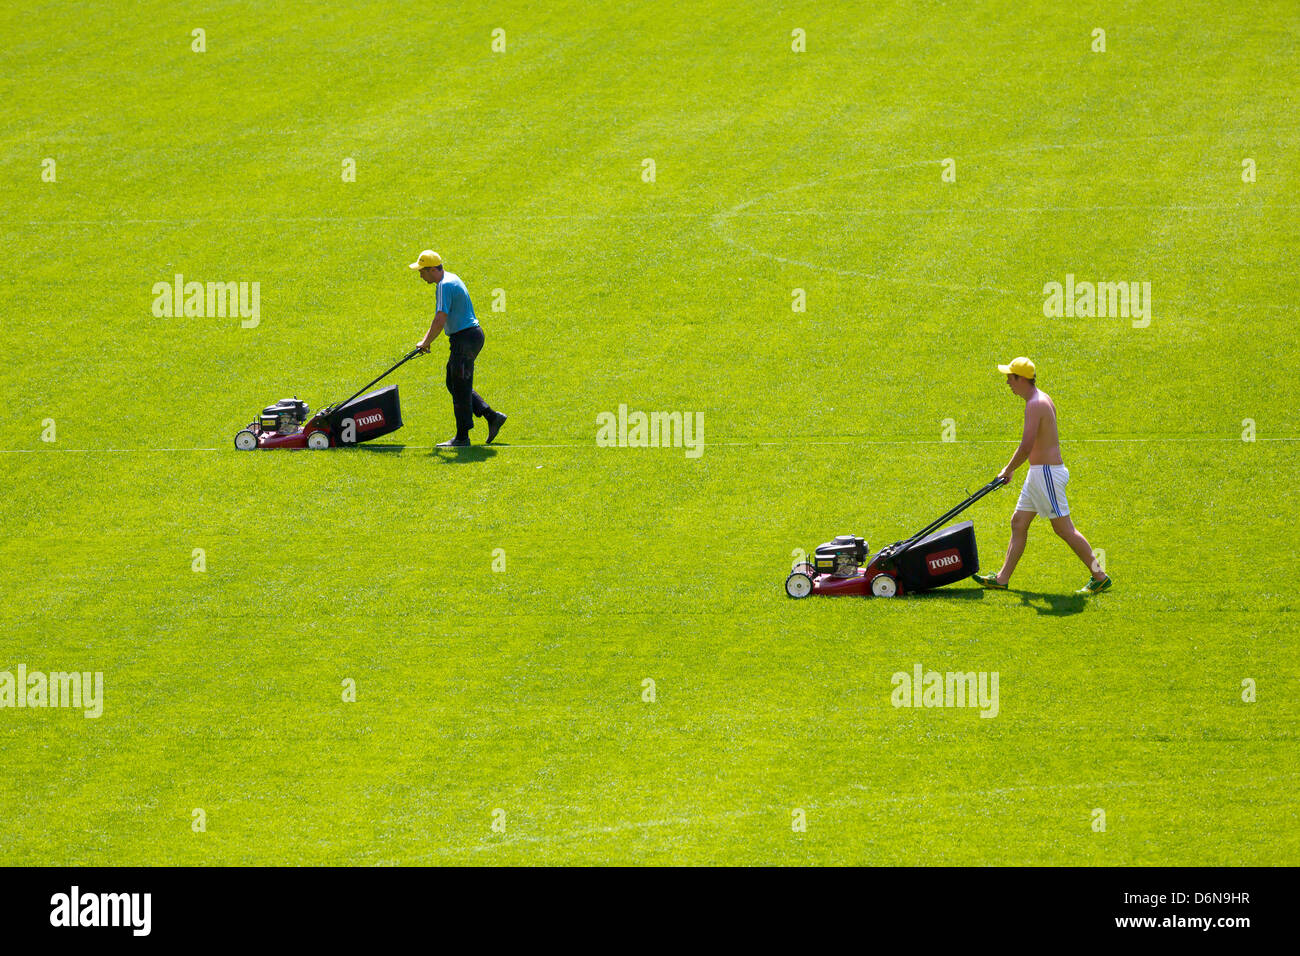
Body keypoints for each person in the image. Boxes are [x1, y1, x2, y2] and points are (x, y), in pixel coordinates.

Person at [973, 357, 1113, 595]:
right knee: (1018, 523)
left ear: (1021, 379)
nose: (1007, 382)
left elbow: (1026, 446)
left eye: (1010, 377)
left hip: (1046, 474)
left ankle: (1099, 576)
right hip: (1039, 473)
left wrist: (1008, 470)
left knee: (1064, 529)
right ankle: (1001, 578)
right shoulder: (1041, 398)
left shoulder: (1035, 404)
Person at [410, 250, 507, 447]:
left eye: (422, 271)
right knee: (454, 383)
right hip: (467, 337)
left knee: (460, 388)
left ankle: (462, 438)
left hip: (465, 339)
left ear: (431, 270)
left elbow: (440, 318)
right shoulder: (450, 278)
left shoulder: (444, 286)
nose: (420, 275)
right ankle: (491, 416)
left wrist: (425, 342)